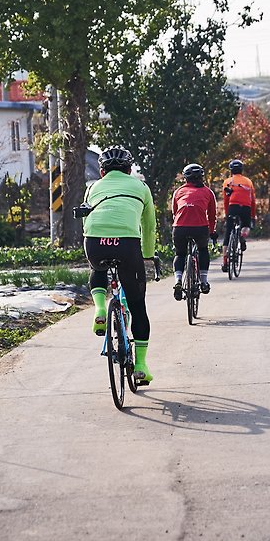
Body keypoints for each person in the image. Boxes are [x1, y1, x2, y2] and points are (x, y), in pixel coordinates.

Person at [81, 146, 161, 384]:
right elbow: (149, 226)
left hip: (94, 242)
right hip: (127, 244)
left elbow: (86, 219)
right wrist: (147, 254)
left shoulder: (92, 187)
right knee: (137, 306)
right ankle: (141, 366)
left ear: (102, 172)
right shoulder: (141, 187)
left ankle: (100, 309)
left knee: (97, 268)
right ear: (129, 170)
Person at [169, 163, 218, 299]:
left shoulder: (178, 192)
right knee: (203, 250)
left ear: (185, 178)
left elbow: (174, 213)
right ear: (202, 177)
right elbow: (212, 215)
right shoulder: (208, 192)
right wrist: (212, 231)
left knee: (180, 254)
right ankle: (203, 281)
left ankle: (178, 280)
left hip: (180, 227)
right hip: (200, 228)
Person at [220, 158, 256, 272]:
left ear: (231, 170)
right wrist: (252, 216)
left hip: (233, 207)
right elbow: (253, 200)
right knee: (246, 226)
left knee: (228, 234)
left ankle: (225, 261)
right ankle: (242, 236)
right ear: (242, 170)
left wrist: (227, 214)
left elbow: (226, 200)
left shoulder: (227, 182)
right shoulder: (248, 182)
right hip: (246, 207)